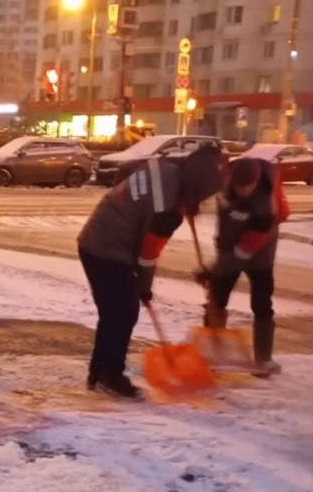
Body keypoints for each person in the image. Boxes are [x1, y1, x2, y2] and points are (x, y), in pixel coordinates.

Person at [78, 142, 223, 399]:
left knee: (114, 314)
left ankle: (99, 374)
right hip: (107, 248)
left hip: (96, 237)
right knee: (123, 312)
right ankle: (110, 376)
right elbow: (147, 255)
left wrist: (185, 203)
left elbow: (133, 180)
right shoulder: (166, 210)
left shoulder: (167, 167)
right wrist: (144, 287)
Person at [203, 156, 288, 377]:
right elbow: (225, 223)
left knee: (261, 303)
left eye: (247, 186)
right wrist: (221, 254)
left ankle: (264, 360)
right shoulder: (225, 186)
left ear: (256, 182)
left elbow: (247, 248)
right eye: (239, 186)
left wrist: (218, 267)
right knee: (217, 297)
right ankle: (213, 353)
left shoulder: (265, 205)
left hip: (260, 252)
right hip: (230, 245)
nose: (243, 190)